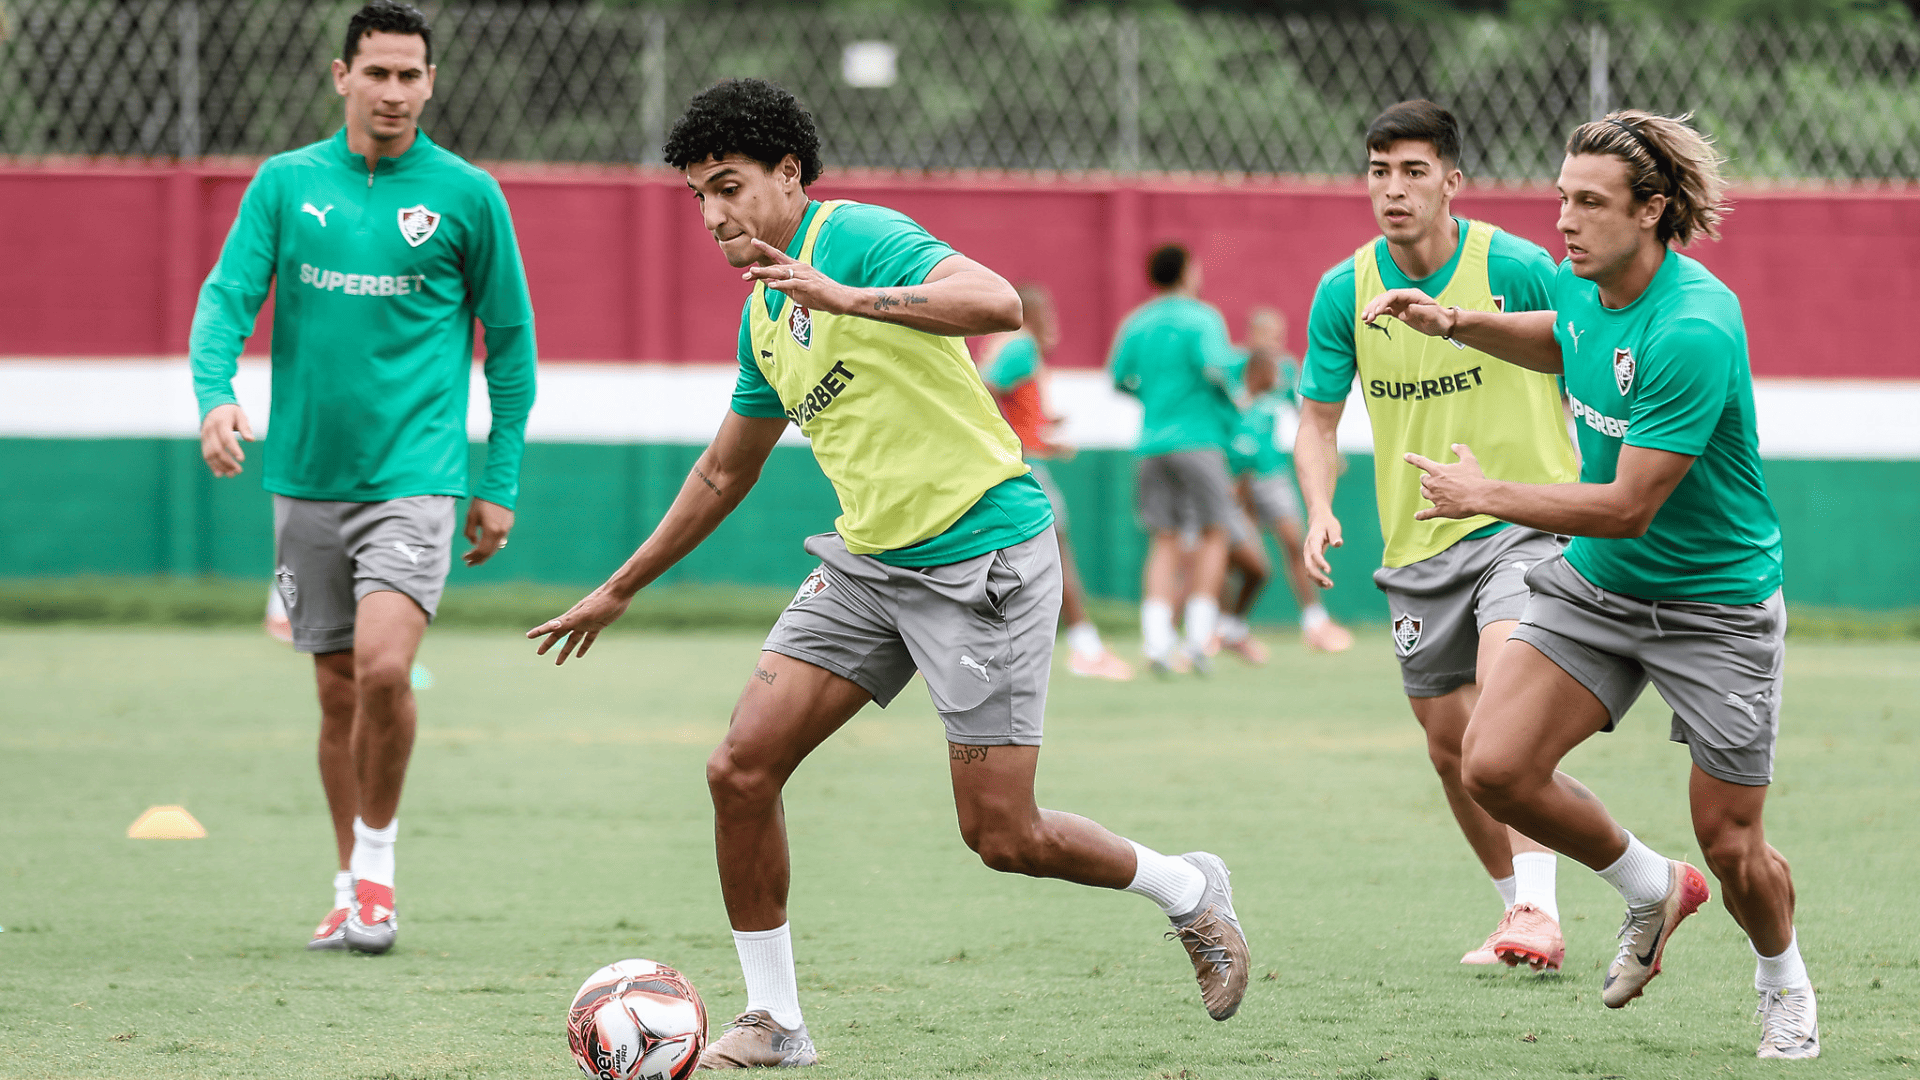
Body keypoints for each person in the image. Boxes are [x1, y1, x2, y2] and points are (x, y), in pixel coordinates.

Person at [527, 79, 1249, 1069]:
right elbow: (722, 469)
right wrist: (623, 584)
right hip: (869, 565)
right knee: (739, 770)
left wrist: (851, 297)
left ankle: (1188, 889)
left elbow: (997, 302)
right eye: (699, 196)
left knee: (1003, 835)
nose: (715, 215)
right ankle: (775, 1020)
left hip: (983, 554)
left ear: (789, 176)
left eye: (729, 186)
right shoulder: (764, 322)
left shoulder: (855, 238)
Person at [1367, 109, 1818, 1060]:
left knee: (1734, 844)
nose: (1564, 221)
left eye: (1590, 203)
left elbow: (1627, 507)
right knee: (1494, 767)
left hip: (1714, 605)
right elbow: (1558, 337)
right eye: (1561, 197)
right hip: (1600, 589)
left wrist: (1486, 493)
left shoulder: (1694, 325)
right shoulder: (1583, 286)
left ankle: (1783, 981)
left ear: (1653, 210)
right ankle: (1653, 885)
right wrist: (1456, 321)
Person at [190, 0, 536, 955]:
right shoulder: (284, 184)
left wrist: (495, 477)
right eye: (375, 72)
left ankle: (376, 874)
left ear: (431, 82)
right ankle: (346, 884)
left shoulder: (468, 196)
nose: (393, 91)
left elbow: (509, 348)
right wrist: (213, 397)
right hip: (304, 481)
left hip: (416, 477)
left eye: (409, 74)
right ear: (341, 75)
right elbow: (227, 300)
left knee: (385, 667)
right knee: (337, 690)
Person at [1293, 100, 1576, 970]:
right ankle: (1517, 915)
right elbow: (1314, 421)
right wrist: (1320, 506)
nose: (1394, 189)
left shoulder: (1518, 267)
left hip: (1521, 523)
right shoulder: (1345, 290)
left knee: (1503, 710)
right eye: (1380, 171)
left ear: (1453, 181)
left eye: (1414, 172)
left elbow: (1591, 349)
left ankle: (1540, 906)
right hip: (1417, 548)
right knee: (1451, 750)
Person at [979, 283, 1135, 681]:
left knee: (1013, 559)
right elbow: (986, 388)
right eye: (1045, 308)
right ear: (1029, 312)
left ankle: (986, 648)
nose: (1053, 316)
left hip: (1015, 461)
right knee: (1057, 551)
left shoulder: (1016, 347)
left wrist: (1041, 432)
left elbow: (1014, 406)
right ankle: (1084, 646)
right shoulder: (1022, 346)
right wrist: (1016, 439)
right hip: (1020, 468)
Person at [1109, 244, 1242, 677]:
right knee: (1214, 533)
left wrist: (1150, 396)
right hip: (1200, 441)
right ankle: (1199, 639)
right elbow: (1216, 369)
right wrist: (1234, 406)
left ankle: (1156, 641)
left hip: (1151, 444)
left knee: (1163, 541)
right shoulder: (1203, 317)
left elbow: (1118, 379)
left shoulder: (1137, 321)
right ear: (1187, 271)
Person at [1217, 307, 1354, 661]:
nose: (1271, 343)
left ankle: (1314, 622)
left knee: (1294, 541)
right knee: (1234, 558)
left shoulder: (1287, 368)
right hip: (1233, 473)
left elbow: (1306, 417)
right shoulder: (1234, 366)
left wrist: (1328, 452)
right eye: (1264, 334)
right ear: (1250, 335)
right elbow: (1225, 412)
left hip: (1269, 471)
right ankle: (1220, 629)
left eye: (1277, 336)